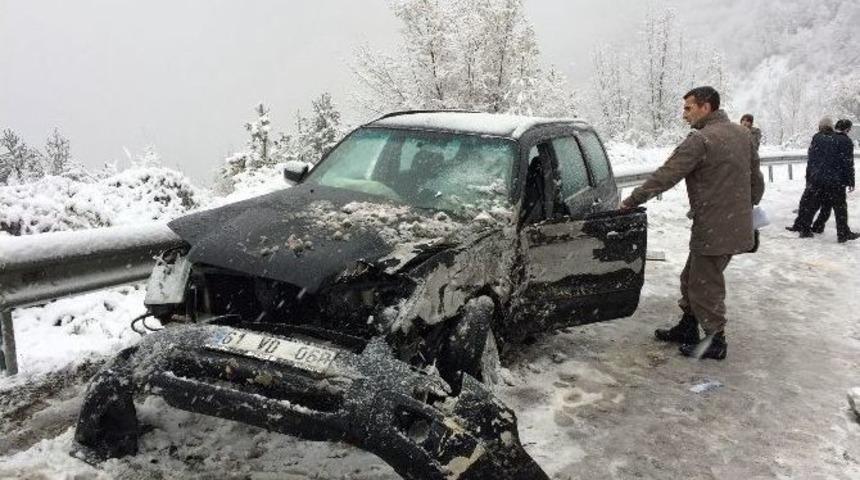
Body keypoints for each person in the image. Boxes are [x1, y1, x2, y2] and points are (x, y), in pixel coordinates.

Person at [620, 86, 764, 360]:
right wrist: (747, 208)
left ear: (706, 107)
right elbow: (755, 179)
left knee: (704, 283)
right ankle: (688, 327)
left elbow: (667, 175)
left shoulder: (701, 140)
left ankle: (715, 340)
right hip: (735, 223)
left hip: (714, 226)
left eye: (688, 108)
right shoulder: (743, 134)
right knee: (692, 276)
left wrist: (631, 201)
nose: (684, 115)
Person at [790, 118, 859, 242]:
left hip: (819, 178)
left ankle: (806, 229)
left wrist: (811, 175)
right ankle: (843, 233)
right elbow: (847, 163)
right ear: (848, 129)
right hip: (836, 180)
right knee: (840, 207)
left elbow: (813, 158)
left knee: (814, 204)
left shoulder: (820, 138)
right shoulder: (845, 141)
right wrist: (850, 181)